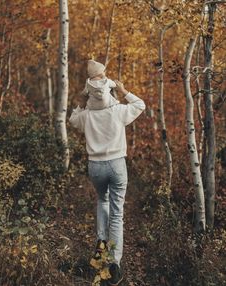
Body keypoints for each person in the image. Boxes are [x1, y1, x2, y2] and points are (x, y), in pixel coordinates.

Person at [69, 60, 146, 286]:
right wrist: (124, 91)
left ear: (90, 92)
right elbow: (140, 104)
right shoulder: (118, 111)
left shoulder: (86, 115)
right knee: (117, 212)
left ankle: (101, 240)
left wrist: (83, 104)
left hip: (96, 167)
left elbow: (73, 119)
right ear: (110, 88)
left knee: (102, 200)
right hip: (116, 165)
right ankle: (114, 263)